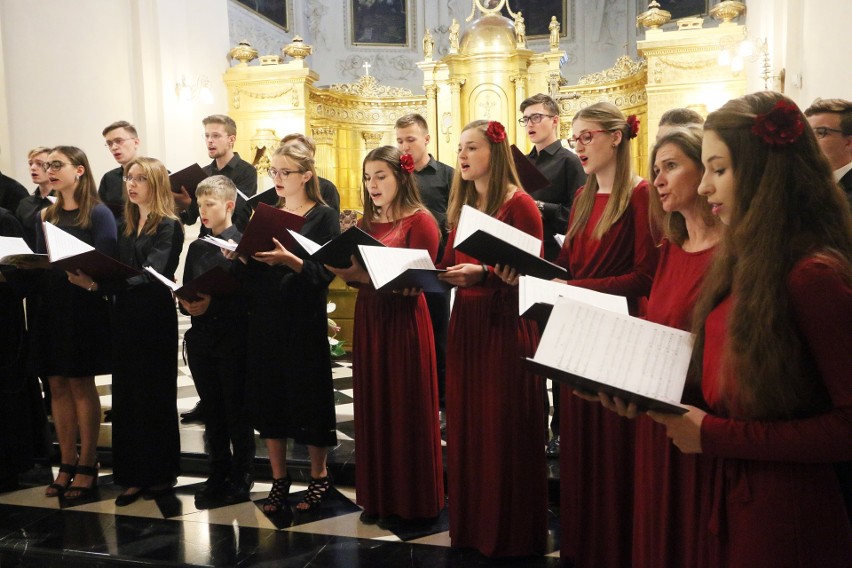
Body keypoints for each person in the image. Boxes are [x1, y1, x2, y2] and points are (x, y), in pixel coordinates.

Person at [651, 92, 852, 567]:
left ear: (765, 172)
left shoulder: (811, 275)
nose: (704, 188)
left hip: (786, 518)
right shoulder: (742, 263)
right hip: (729, 495)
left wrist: (716, 436)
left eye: (718, 170)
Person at [598, 126, 722, 568]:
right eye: (656, 169)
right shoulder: (673, 246)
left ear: (705, 170)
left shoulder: (731, 252)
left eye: (671, 166)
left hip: (699, 423)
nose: (660, 180)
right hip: (658, 419)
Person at [436, 120, 547, 558]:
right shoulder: (464, 206)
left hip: (505, 325)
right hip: (467, 323)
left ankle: (510, 535)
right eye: (460, 148)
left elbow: (534, 273)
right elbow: (448, 261)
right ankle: (474, 529)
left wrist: (482, 273)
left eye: (472, 148)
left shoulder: (520, 205)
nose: (462, 156)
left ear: (494, 153)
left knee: (503, 431)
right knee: (469, 428)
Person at [556, 102, 658, 568]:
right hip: (577, 330)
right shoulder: (580, 197)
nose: (578, 146)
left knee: (614, 445)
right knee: (580, 443)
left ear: (617, 136)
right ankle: (585, 545)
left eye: (587, 136)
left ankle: (617, 548)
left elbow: (645, 276)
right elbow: (571, 266)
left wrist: (574, 287)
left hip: (617, 332)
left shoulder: (639, 195)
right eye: (574, 138)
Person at [328, 146, 444, 526]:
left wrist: (358, 275)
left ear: (401, 177)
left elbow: (417, 283)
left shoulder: (420, 220)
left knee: (404, 406)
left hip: (404, 322)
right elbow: (361, 272)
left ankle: (413, 501)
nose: (372, 184)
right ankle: (378, 497)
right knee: (375, 404)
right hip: (371, 317)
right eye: (367, 177)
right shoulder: (364, 223)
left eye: (381, 176)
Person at [229, 141, 339, 515]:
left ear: (306, 175)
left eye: (285, 172)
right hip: (266, 316)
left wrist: (289, 259)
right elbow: (253, 271)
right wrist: (240, 254)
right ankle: (278, 479)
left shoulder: (323, 216)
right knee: (270, 395)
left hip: (302, 318)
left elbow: (324, 274)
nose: (276, 178)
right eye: (272, 171)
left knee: (308, 396)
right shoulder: (266, 213)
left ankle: (319, 475)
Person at [68, 157, 184, 506]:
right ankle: (133, 476)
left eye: (139, 179)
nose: (131, 184)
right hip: (125, 316)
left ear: (156, 185)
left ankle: (159, 474)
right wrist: (99, 279)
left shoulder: (169, 224)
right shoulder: (127, 222)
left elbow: (154, 272)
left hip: (153, 318)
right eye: (129, 178)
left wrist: (102, 287)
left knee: (154, 395)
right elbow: (117, 269)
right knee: (128, 397)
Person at [32, 146, 117, 500]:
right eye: (46, 165)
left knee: (81, 384)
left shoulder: (98, 213)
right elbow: (44, 259)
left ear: (79, 170)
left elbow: (109, 260)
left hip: (83, 306)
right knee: (56, 384)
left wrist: (90, 277)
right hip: (51, 305)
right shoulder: (47, 214)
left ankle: (87, 462)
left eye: (57, 165)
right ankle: (65, 463)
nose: (50, 170)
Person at [179, 176, 254, 507]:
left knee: (236, 410)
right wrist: (186, 303)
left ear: (229, 205)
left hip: (234, 339)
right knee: (212, 410)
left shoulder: (244, 246)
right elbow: (187, 287)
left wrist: (215, 302)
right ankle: (217, 471)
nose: (203, 211)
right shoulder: (197, 246)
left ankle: (243, 474)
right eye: (199, 205)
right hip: (202, 339)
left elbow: (251, 297)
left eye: (209, 204)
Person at [519, 93, 586, 458]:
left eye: (537, 117)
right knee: (532, 347)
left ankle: (560, 429)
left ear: (555, 120)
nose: (530, 124)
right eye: (525, 118)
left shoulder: (569, 162)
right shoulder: (523, 162)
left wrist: (538, 206)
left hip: (557, 264)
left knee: (557, 349)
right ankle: (532, 423)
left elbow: (576, 213)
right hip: (525, 261)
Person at [395, 113, 454, 409]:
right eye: (399, 140)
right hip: (401, 265)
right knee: (406, 337)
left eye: (410, 139)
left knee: (437, 337)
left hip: (436, 267)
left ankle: (441, 404)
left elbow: (457, 218)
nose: (404, 146)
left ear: (427, 139)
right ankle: (411, 400)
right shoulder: (395, 176)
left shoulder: (446, 175)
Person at [176, 114, 256, 236]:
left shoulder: (246, 171)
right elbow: (191, 219)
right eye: (207, 136)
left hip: (233, 242)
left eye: (216, 136)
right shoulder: (204, 172)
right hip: (205, 241)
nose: (210, 140)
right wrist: (183, 205)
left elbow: (238, 213)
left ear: (231, 139)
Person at [249, 133, 341, 213]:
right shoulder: (278, 190)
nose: (286, 154)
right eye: (284, 149)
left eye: (285, 172)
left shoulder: (327, 189)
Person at [804, 97, 852, 205]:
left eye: (820, 132)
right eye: (808, 133)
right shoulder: (806, 183)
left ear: (849, 142)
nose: (809, 140)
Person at [98, 120, 141, 219]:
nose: (113, 147)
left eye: (119, 141)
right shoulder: (109, 178)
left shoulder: (156, 173)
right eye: (109, 143)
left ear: (136, 142)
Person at [15, 147, 54, 248]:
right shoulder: (25, 203)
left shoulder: (65, 202)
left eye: (40, 164)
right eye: (30, 163)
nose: (33, 167)